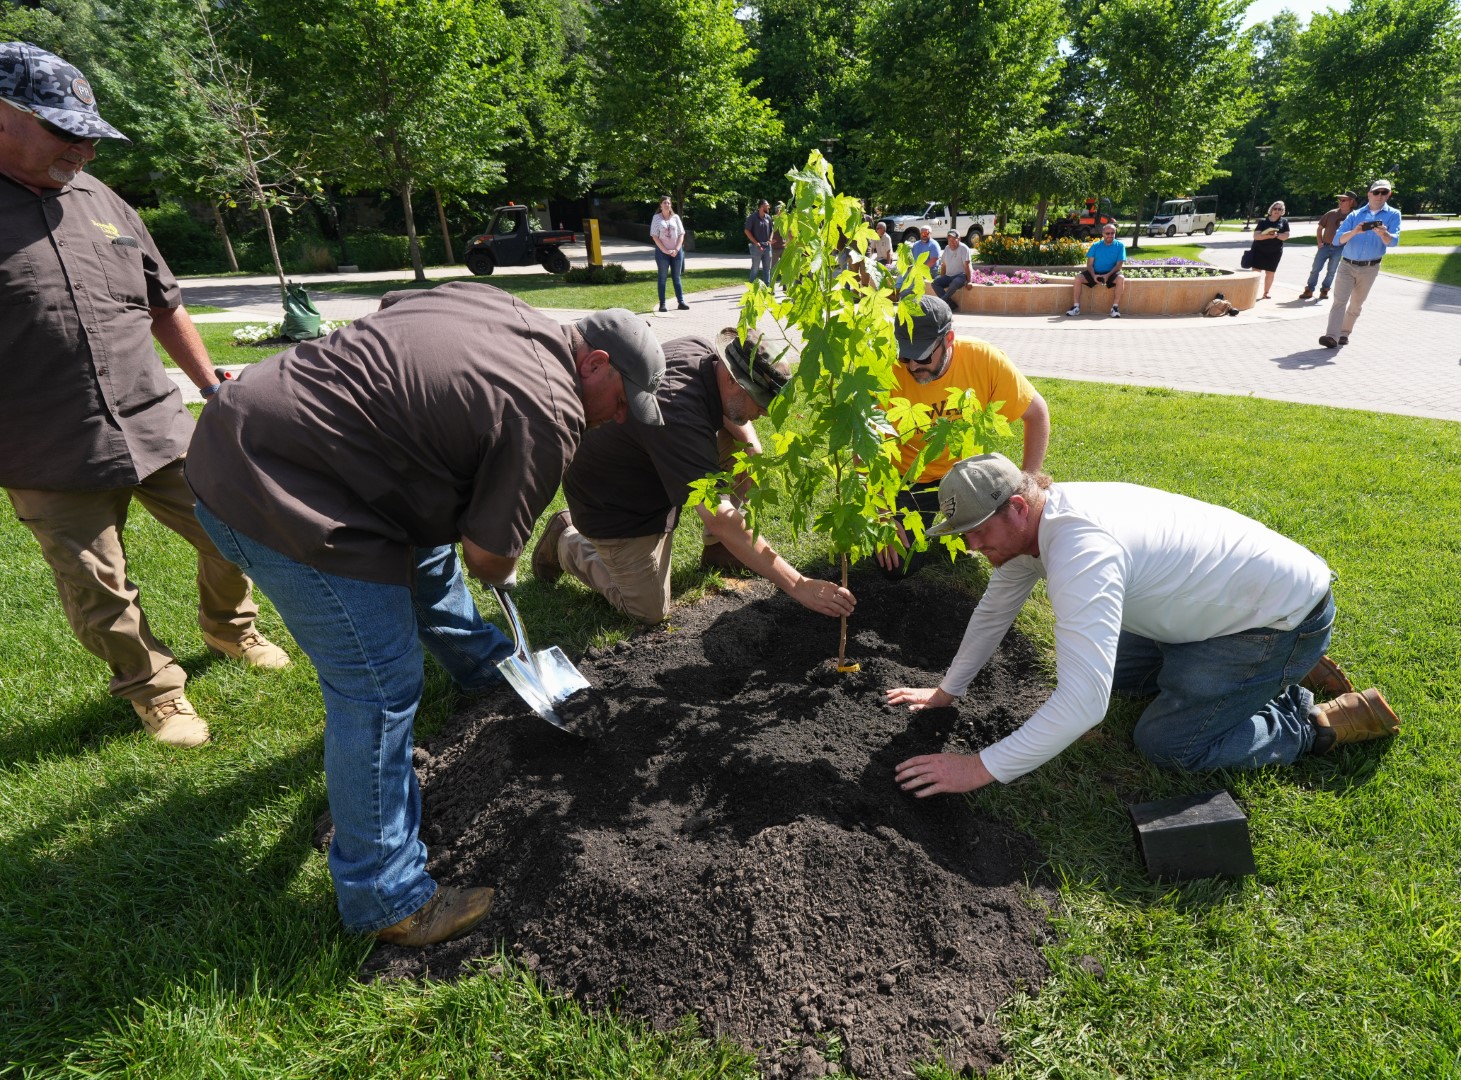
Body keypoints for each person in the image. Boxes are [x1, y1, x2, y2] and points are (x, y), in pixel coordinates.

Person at [187, 282, 665, 947]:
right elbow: (488, 557)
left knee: (426, 558)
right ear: (597, 364)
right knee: (378, 686)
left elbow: (390, 308)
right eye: (619, 406)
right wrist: (501, 552)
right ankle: (388, 899)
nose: (615, 421)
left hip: (258, 431)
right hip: (276, 489)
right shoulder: (550, 411)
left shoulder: (500, 306)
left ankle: (489, 670)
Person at [0, 41, 289, 750]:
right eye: (67, 132)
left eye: (92, 135)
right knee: (97, 583)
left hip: (155, 421)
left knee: (237, 528)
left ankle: (231, 630)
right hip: (44, 444)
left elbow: (164, 302)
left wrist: (205, 383)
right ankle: (153, 688)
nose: (86, 152)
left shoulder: (104, 201)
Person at [888, 453, 1400, 797]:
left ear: (1018, 506)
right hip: (1219, 608)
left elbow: (1084, 705)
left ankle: (1303, 718)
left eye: (976, 532)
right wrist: (946, 691)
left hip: (1279, 618)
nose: (971, 547)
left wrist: (977, 768)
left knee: (1167, 745)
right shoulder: (1037, 525)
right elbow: (995, 610)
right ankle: (1267, 672)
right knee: (1114, 673)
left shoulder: (1080, 549)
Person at [535, 330, 857, 624]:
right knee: (648, 610)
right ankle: (567, 541)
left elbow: (725, 414)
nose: (762, 413)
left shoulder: (704, 355)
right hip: (614, 497)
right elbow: (718, 514)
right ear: (732, 379)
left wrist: (751, 445)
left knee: (747, 454)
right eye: (760, 402)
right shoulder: (676, 410)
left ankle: (719, 550)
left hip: (653, 458)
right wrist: (798, 585)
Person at [875, 296, 1049, 578]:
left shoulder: (984, 359)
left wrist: (1029, 484)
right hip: (906, 479)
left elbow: (1037, 413)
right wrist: (883, 515)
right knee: (895, 569)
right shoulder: (885, 374)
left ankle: (960, 525)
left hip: (967, 479)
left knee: (1007, 542)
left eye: (922, 356)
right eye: (904, 356)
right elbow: (866, 449)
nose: (911, 367)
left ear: (949, 339)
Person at [1319, 179, 1401, 349]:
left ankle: (1344, 333)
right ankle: (1331, 336)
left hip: (1370, 268)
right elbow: (1337, 240)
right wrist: (1355, 231)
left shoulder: (1393, 215)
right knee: (1339, 301)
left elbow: (1393, 242)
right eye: (1376, 192)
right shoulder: (1355, 215)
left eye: (1384, 193)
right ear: (1369, 194)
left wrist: (1383, 234)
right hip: (1347, 265)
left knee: (1356, 304)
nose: (1379, 196)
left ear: (1389, 195)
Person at [1301, 191, 1356, 301]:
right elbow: (1320, 228)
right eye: (1339, 200)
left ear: (1351, 201)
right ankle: (1309, 290)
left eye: (1343, 200)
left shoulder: (1354, 216)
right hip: (1325, 246)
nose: (1340, 202)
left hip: (1340, 249)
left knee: (1331, 271)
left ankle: (1324, 290)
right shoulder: (1331, 213)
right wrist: (1319, 242)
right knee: (1315, 269)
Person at [1065, 223, 1126, 317]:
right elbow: (1089, 264)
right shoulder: (1096, 245)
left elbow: (1119, 265)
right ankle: (1076, 307)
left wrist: (1107, 275)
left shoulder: (1120, 245)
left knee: (1121, 278)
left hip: (1111, 273)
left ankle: (1115, 308)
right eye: (1107, 233)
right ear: (1103, 234)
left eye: (1112, 233)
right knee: (1078, 278)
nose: (1110, 235)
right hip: (1095, 272)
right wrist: (1093, 276)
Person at [650, 196, 689, 312]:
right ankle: (662, 304)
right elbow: (654, 236)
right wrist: (665, 250)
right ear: (660, 205)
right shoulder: (656, 218)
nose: (667, 205)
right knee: (662, 278)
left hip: (676, 252)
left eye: (668, 203)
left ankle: (681, 302)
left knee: (676, 277)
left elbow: (681, 234)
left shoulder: (675, 217)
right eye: (664, 203)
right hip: (662, 253)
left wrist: (676, 249)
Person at [1247, 201, 1290, 300]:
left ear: (1282, 211)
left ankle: (1266, 293)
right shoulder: (1263, 222)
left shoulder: (1284, 222)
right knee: (1256, 272)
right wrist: (1268, 236)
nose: (1277, 211)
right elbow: (1256, 236)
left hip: (1275, 252)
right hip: (1259, 250)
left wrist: (1277, 235)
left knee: (1270, 273)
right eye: (1275, 209)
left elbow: (1286, 236)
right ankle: (1251, 292)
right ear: (1271, 210)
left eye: (1280, 209)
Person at [933, 229, 973, 308]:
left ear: (959, 239)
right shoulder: (947, 248)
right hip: (949, 276)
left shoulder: (964, 248)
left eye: (954, 239)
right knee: (935, 283)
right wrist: (942, 278)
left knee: (955, 282)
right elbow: (943, 265)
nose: (951, 242)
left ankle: (942, 302)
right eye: (949, 240)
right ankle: (951, 304)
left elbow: (967, 266)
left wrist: (969, 282)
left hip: (961, 276)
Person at [745, 199, 774, 286]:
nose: (768, 207)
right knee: (755, 268)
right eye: (767, 205)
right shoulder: (753, 217)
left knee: (767, 269)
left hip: (767, 247)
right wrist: (755, 242)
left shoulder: (768, 217)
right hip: (756, 247)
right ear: (761, 207)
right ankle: (751, 288)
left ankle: (767, 288)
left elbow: (772, 230)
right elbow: (747, 231)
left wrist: (770, 240)